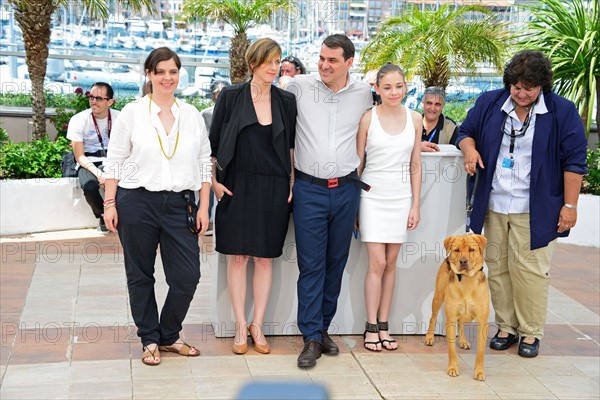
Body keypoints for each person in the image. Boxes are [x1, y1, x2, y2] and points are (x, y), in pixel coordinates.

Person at [456, 50, 588, 358]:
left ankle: (531, 331)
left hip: (537, 207)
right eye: (516, 87)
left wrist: (570, 206)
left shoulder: (561, 111)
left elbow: (575, 162)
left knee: (529, 270)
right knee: (499, 268)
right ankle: (507, 327)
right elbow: (465, 132)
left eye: (529, 88)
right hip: (495, 203)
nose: (522, 94)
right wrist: (469, 150)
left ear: (542, 85)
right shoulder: (490, 102)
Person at [103, 47, 212, 366]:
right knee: (140, 274)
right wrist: (110, 202)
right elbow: (115, 161)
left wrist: (204, 207)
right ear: (148, 75)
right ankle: (150, 338)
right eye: (160, 71)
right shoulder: (133, 113)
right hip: (136, 202)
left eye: (173, 72)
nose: (167, 77)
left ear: (180, 75)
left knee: (187, 276)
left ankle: (169, 333)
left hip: (181, 204)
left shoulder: (191, 115)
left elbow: (205, 161)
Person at [209, 38, 297, 355]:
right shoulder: (231, 97)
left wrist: (290, 183)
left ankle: (257, 325)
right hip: (236, 185)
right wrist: (214, 183)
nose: (274, 68)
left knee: (264, 258)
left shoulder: (286, 102)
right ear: (253, 64)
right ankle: (238, 326)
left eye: (278, 62)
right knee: (237, 257)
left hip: (273, 188)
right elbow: (213, 145)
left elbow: (290, 149)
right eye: (268, 62)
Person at [290, 34, 373, 368]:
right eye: (321, 58)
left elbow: (381, 127)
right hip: (308, 188)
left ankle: (323, 327)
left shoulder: (365, 93)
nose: (324, 65)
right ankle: (310, 336)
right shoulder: (297, 85)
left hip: (347, 190)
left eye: (332, 60)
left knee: (335, 262)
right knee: (311, 264)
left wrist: (419, 142)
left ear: (349, 63)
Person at [356, 63, 422, 351]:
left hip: (401, 198)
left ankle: (384, 325)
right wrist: (354, 208)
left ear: (405, 87)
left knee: (391, 265)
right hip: (371, 197)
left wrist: (415, 205)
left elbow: (415, 164)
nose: (394, 92)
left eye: (399, 86)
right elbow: (358, 165)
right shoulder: (367, 119)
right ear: (377, 89)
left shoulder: (415, 119)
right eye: (387, 87)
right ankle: (370, 326)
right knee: (377, 263)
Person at [66, 82, 120, 232]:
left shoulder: (120, 118)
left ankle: (123, 216)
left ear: (110, 102)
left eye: (99, 98)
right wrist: (99, 174)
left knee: (129, 185)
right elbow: (80, 156)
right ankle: (102, 215)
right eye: (91, 97)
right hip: (88, 162)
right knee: (90, 187)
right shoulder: (78, 120)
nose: (93, 101)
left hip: (114, 160)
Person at [201, 79, 231, 236]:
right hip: (210, 157)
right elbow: (205, 138)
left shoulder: (234, 113)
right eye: (217, 95)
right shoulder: (206, 113)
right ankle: (207, 221)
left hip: (227, 160)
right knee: (208, 189)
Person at [420, 86, 459, 152]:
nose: (432, 108)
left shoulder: (450, 127)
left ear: (443, 105)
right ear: (423, 103)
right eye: (429, 103)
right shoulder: (412, 123)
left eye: (437, 104)